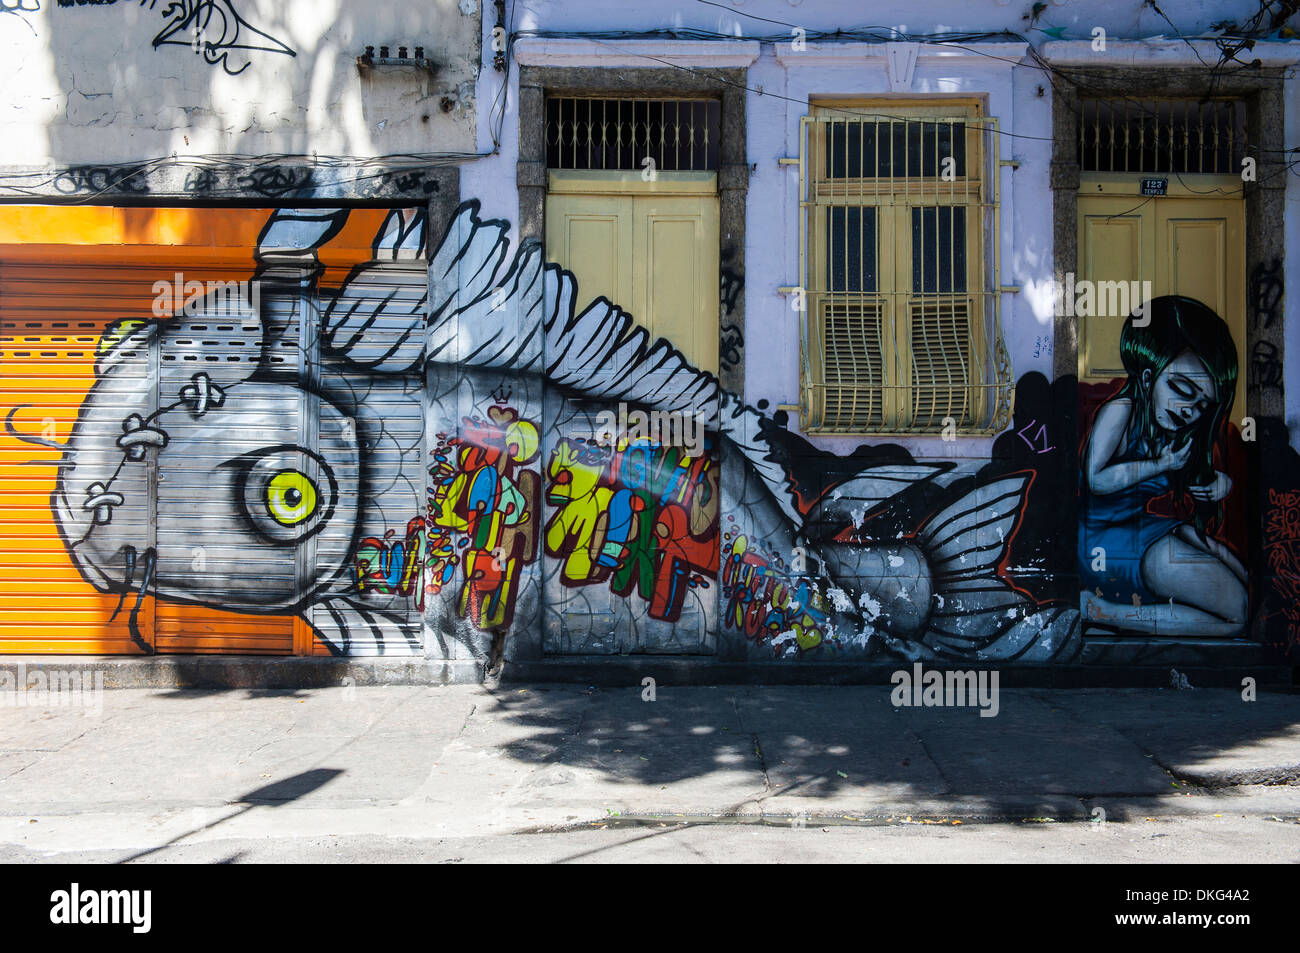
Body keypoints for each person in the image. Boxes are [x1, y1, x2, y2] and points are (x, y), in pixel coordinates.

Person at [1078, 295, 1247, 636]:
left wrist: (1220, 484)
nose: (1190, 411)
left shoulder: (1173, 431)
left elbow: (1191, 477)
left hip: (1143, 527)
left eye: (1203, 405)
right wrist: (1159, 464)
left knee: (1242, 576)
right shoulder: (1121, 412)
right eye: (1181, 389)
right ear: (1146, 376)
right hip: (1105, 540)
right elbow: (1096, 479)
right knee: (1237, 613)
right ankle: (1102, 612)